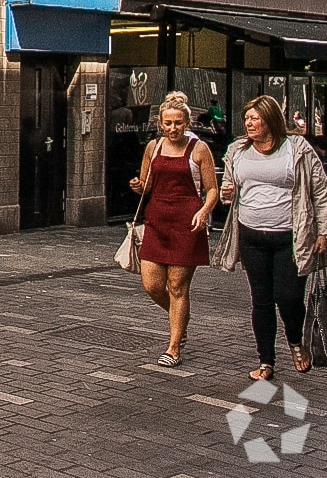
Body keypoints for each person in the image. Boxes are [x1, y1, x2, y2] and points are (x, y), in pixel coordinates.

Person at [217, 94, 327, 380]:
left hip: (290, 237)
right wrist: (227, 194)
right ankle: (266, 360)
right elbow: (229, 189)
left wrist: (324, 231)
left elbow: (320, 192)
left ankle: (295, 341)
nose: (249, 123)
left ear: (270, 119)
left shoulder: (297, 149)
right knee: (261, 299)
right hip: (251, 235)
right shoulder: (237, 151)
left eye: (255, 118)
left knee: (288, 296)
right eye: (247, 119)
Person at [130, 89, 219, 367]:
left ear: (187, 122)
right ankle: (180, 318)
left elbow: (212, 190)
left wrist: (204, 211)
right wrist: (138, 186)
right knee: (152, 285)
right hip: (156, 221)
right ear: (160, 123)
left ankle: (174, 346)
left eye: (178, 123)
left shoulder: (200, 149)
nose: (173, 128)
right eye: (168, 123)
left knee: (178, 286)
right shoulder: (152, 148)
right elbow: (147, 185)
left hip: (186, 223)